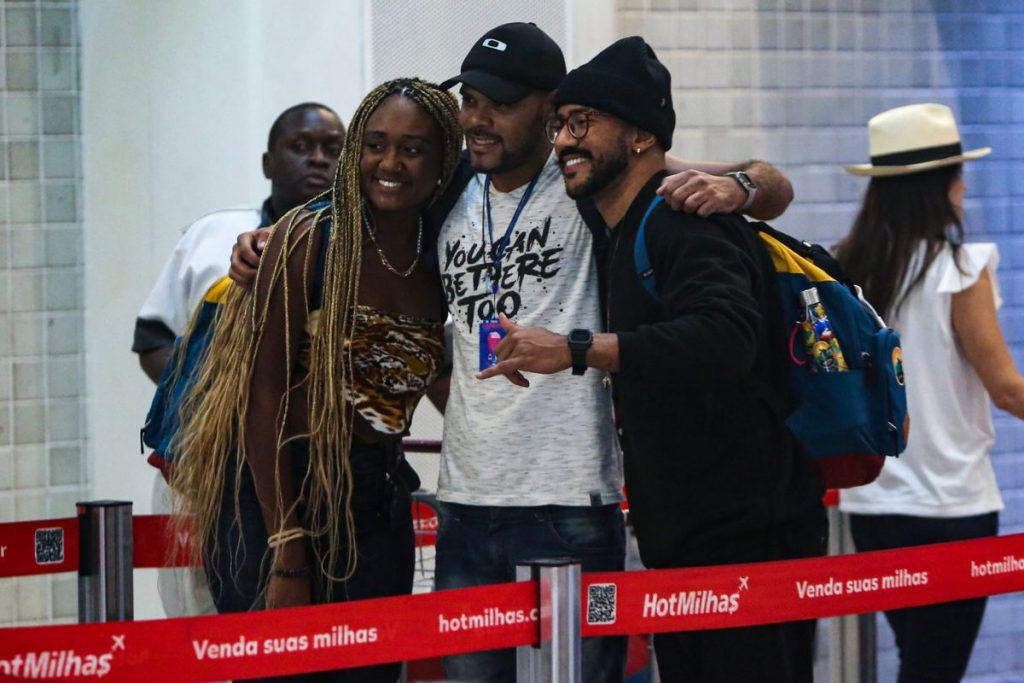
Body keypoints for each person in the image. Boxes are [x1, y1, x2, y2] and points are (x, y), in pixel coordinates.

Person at [231, 22, 796, 683]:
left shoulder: (589, 181)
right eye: (469, 100)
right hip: (466, 507)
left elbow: (769, 182)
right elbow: (365, 202)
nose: (476, 118)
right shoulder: (448, 195)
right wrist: (268, 236)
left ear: (548, 108)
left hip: (568, 504)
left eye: (497, 103)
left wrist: (744, 188)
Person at [478, 36, 828, 682]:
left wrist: (577, 351)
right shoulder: (615, 221)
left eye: (582, 122)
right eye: (558, 123)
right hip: (685, 535)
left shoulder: (682, 217)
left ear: (640, 137)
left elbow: (724, 340)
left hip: (751, 534)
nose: (562, 141)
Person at [171, 78, 463, 683]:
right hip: (276, 499)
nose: (389, 163)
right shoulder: (309, 238)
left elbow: (429, 374)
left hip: (376, 498)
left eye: (412, 148)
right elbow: (266, 397)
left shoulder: (442, 248)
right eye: (375, 143)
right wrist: (288, 548)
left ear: (443, 161)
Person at [835, 103, 1024, 683]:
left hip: (873, 504)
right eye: (956, 175)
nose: (964, 188)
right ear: (934, 188)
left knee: (920, 662)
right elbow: (1008, 390)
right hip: (952, 505)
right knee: (933, 669)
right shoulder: (960, 269)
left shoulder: (846, 268)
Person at [133, 103, 344, 618]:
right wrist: (208, 411)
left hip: (308, 473)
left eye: (332, 148)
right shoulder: (212, 235)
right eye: (300, 147)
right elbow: (153, 336)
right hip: (203, 471)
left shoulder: (363, 246)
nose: (317, 160)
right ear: (268, 162)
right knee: (200, 617)